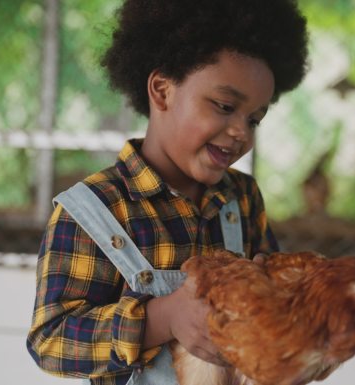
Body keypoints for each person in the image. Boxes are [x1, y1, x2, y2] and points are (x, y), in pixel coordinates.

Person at [26, 1, 309, 384]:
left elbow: (274, 298)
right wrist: (163, 319)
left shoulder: (242, 199)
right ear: (162, 91)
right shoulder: (93, 210)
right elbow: (51, 340)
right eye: (226, 106)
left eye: (254, 118)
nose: (242, 131)